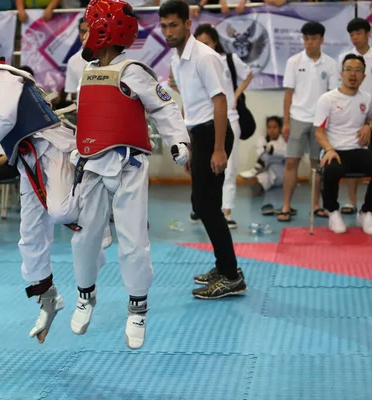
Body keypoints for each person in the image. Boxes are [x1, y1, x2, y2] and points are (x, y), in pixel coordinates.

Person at [0, 27, 99, 344]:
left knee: (63, 210)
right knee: (29, 234)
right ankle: (47, 297)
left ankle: (101, 195)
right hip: (29, 157)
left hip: (52, 148)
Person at [69, 0, 189, 350]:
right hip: (91, 165)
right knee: (83, 238)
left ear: (106, 30)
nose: (87, 33)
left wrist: (179, 140)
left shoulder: (133, 69)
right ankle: (85, 295)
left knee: (133, 241)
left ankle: (137, 307)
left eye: (91, 26)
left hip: (128, 165)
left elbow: (164, 105)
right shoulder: (86, 70)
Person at [159, 0, 246, 299]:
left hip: (215, 134)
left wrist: (219, 149)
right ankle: (224, 267)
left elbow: (219, 101)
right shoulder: (176, 60)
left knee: (208, 206)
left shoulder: (205, 57)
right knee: (202, 203)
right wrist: (190, 147)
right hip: (200, 134)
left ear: (187, 24)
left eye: (173, 24)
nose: (168, 31)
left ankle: (231, 275)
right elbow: (191, 107)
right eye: (164, 25)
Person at [314, 54, 372, 234]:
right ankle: (333, 211)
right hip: (335, 150)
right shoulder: (327, 99)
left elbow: (371, 118)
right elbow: (319, 132)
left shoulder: (367, 98)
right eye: (348, 69)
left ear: (364, 77)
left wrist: (368, 126)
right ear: (341, 73)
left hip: (359, 150)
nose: (352, 74)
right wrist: (329, 149)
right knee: (331, 170)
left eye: (357, 71)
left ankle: (366, 212)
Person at [192, 23, 253, 229]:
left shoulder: (228, 60)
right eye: (199, 43)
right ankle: (203, 207)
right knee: (200, 168)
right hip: (202, 121)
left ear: (215, 42)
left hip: (229, 118)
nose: (203, 47)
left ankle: (226, 211)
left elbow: (249, 75)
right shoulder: (194, 62)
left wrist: (236, 94)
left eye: (207, 43)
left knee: (228, 165)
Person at [279, 21, 338, 222]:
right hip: (297, 117)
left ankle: (315, 206)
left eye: (313, 38)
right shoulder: (293, 62)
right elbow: (288, 94)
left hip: (320, 122)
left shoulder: (330, 64)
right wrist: (285, 122)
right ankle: (286, 206)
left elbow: (333, 96)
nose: (309, 42)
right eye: (306, 39)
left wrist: (331, 123)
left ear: (321, 39)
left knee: (316, 165)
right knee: (290, 162)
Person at [339, 18, 372, 216]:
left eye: (358, 33)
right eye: (352, 34)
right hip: (351, 121)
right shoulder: (344, 57)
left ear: (368, 34)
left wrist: (370, 107)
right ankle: (351, 200)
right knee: (352, 159)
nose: (355, 38)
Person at [239, 116, 287, 197]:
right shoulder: (262, 140)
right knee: (256, 181)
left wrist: (270, 149)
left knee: (268, 152)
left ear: (280, 129)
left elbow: (286, 154)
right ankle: (258, 182)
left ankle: (255, 169)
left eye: (275, 127)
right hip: (267, 171)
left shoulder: (285, 141)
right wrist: (268, 148)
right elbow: (259, 153)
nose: (272, 130)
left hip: (281, 172)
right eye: (269, 127)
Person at [64, 17, 89, 101]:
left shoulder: (110, 55)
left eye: (90, 31)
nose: (86, 36)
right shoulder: (73, 61)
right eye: (83, 31)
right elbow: (72, 94)